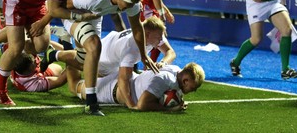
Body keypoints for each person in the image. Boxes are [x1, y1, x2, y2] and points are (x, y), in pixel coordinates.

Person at [0, 0, 99, 107]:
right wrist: (82, 16)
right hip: (17, 1)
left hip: (37, 4)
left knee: (41, 45)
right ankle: (0, 89)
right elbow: (55, 9)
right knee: (16, 48)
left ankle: (9, 37)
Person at [41, 0, 159, 116]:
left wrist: (144, 56)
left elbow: (137, 29)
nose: (128, 8)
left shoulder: (130, 3)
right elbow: (58, 7)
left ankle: (53, 54)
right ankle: (91, 103)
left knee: (84, 60)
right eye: (126, 4)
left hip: (94, 13)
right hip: (71, 11)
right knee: (94, 44)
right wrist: (42, 23)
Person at [46, 16, 175, 108]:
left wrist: (163, 63)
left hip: (112, 53)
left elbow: (170, 52)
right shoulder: (131, 48)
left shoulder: (153, 32)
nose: (160, 40)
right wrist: (131, 105)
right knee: (77, 73)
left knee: (77, 70)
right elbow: (123, 80)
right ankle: (55, 54)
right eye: (158, 37)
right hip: (103, 60)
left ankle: (64, 44)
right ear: (147, 35)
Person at [66, 62, 205, 112]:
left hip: (126, 79)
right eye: (194, 87)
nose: (194, 90)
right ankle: (63, 50)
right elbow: (142, 104)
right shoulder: (165, 79)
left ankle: (64, 61)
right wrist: (170, 109)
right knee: (74, 86)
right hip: (114, 90)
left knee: (86, 72)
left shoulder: (176, 70)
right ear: (186, 80)